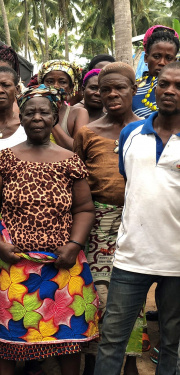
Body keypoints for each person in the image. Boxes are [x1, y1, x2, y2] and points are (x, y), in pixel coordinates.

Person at [0, 84, 98, 375]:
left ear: (54, 118)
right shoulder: (5, 159)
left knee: (68, 336)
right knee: (10, 336)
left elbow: (84, 209)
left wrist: (74, 246)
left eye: (44, 112)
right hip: (14, 265)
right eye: (29, 112)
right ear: (21, 118)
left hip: (63, 264)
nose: (36, 117)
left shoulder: (70, 160)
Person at [94, 61, 180, 375]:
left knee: (172, 341)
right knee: (113, 339)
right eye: (163, 83)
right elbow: (132, 183)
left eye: (178, 86)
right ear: (153, 88)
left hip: (178, 262)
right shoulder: (131, 133)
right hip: (131, 258)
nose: (169, 90)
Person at [73, 63, 143, 375]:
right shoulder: (88, 133)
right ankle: (93, 363)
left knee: (133, 300)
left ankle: (129, 365)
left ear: (133, 90)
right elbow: (75, 185)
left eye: (120, 88)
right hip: (97, 226)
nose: (112, 94)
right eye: (105, 89)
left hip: (137, 225)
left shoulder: (148, 130)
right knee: (96, 298)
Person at [38, 60, 89, 150]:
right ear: (41, 85)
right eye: (50, 81)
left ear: (71, 88)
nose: (56, 86)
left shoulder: (78, 113)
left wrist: (50, 118)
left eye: (62, 82)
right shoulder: (30, 111)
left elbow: (77, 149)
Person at [132, 25, 180, 119]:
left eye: (168, 58)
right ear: (146, 58)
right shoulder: (133, 89)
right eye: (157, 56)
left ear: (175, 61)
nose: (162, 63)